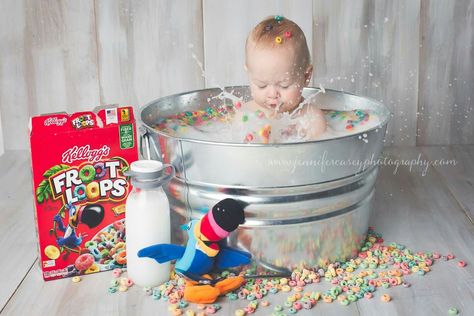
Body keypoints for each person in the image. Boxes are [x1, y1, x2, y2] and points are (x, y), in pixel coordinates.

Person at [238, 15, 327, 143]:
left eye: (284, 85)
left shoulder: (311, 118)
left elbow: (316, 151)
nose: (272, 94)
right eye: (261, 85)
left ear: (306, 76)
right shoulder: (245, 114)